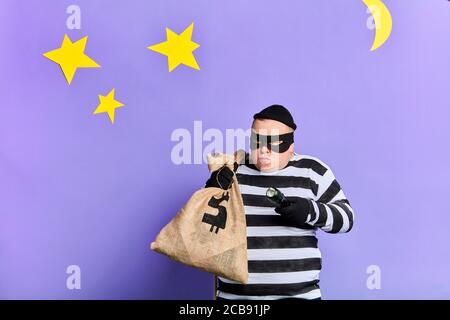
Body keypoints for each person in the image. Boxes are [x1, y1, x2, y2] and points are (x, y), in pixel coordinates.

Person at [205, 104, 355, 300]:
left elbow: (346, 218)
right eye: (257, 141)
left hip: (299, 296)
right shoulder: (234, 170)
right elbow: (204, 226)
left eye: (273, 143)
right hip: (235, 299)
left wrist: (310, 211)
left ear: (291, 148)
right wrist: (211, 191)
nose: (264, 151)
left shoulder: (312, 171)